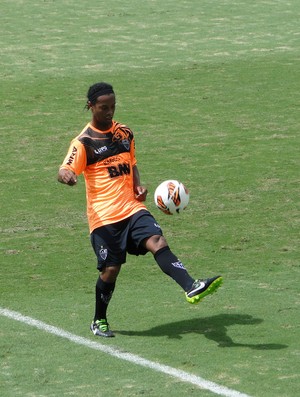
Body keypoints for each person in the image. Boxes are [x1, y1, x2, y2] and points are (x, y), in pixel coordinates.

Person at [58, 82, 223, 338]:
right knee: (110, 270)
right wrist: (67, 176)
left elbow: (132, 163)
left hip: (132, 208)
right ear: (91, 107)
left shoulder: (124, 133)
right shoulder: (84, 143)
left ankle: (191, 285)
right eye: (104, 107)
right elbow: (65, 169)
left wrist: (138, 186)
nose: (110, 112)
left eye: (113, 106)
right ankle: (99, 320)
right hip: (104, 218)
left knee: (157, 240)